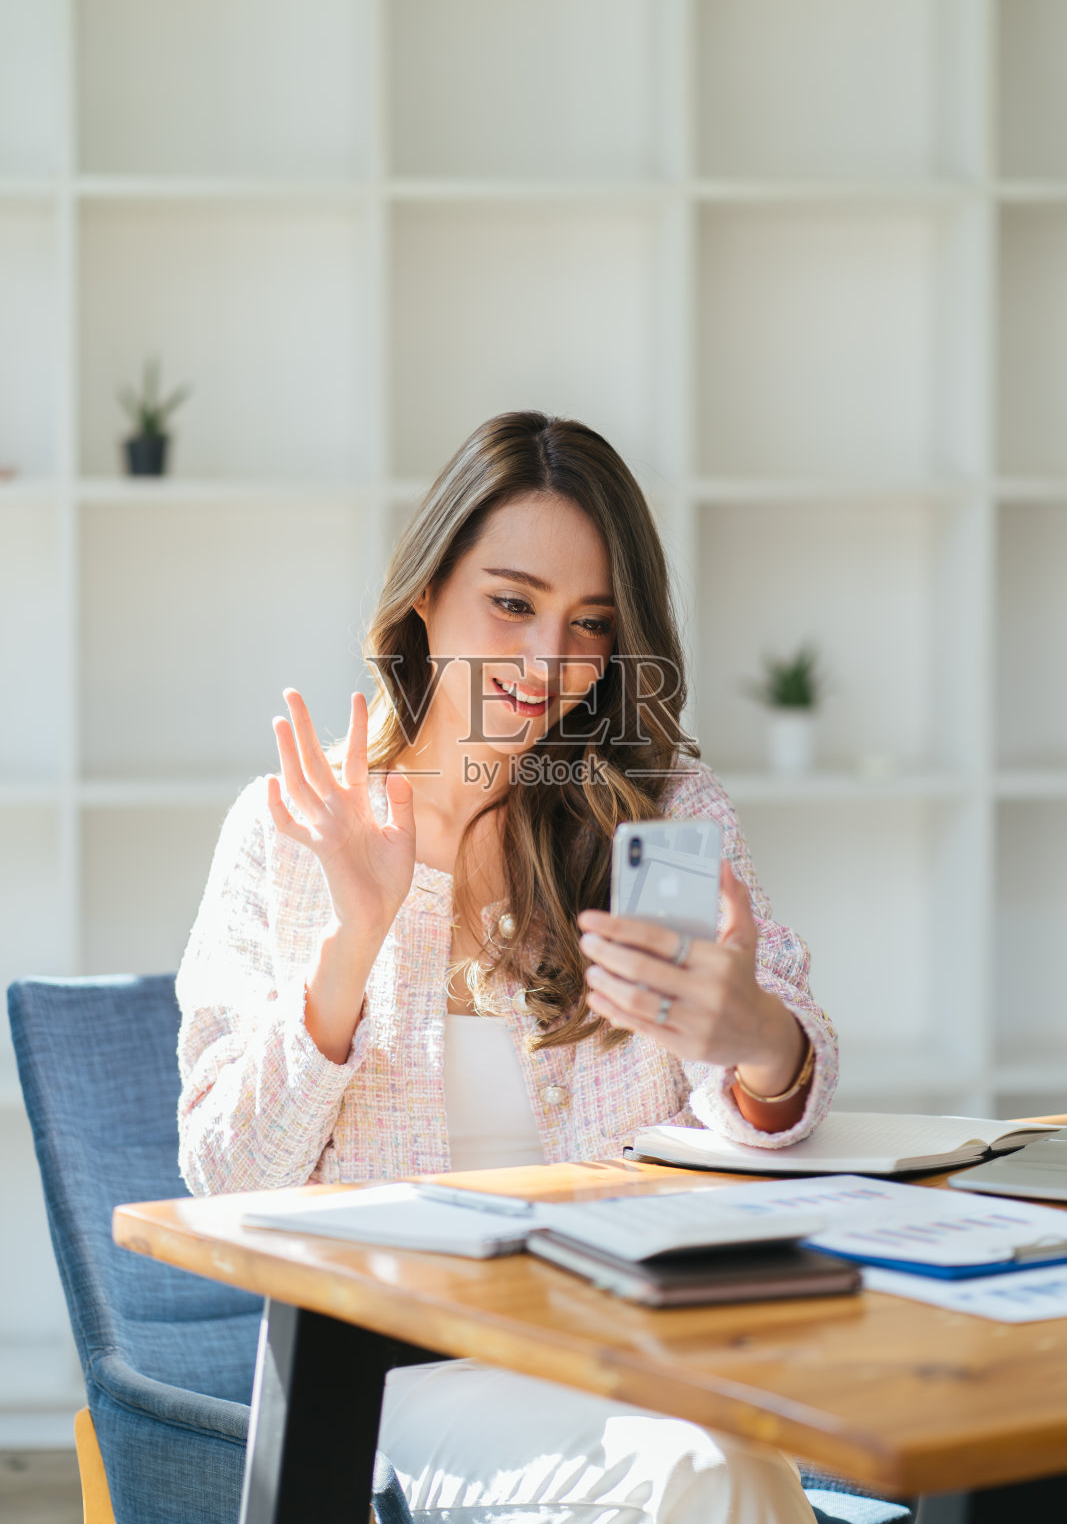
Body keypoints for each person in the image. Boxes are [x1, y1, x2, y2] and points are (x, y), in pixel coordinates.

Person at [176, 411, 839, 1524]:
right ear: (425, 593)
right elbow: (227, 1178)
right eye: (512, 602)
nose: (548, 663)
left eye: (589, 623)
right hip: (406, 1374)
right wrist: (354, 941)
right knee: (703, 1476)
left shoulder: (657, 804)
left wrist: (751, 1039)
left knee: (723, 1465)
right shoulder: (290, 829)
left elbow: (776, 1092)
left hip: (648, 1350)